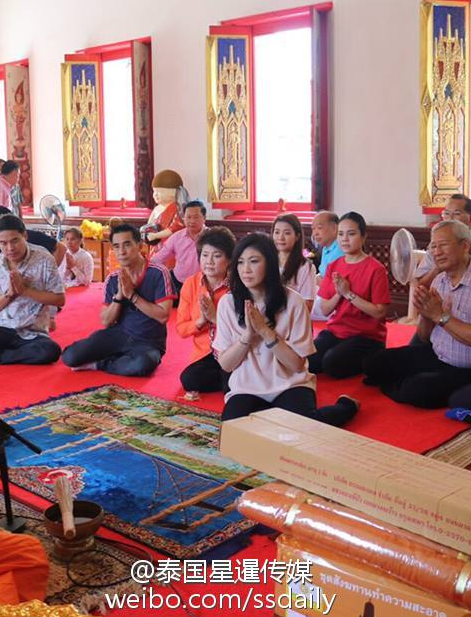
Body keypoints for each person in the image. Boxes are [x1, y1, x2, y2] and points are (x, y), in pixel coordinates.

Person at [213, 233, 359, 425]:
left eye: (254, 261)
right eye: (240, 262)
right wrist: (247, 336)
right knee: (232, 432)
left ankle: (346, 406)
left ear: (270, 264)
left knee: (301, 430)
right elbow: (226, 365)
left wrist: (265, 332)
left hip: (290, 385)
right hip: (247, 387)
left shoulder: (294, 302)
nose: (245, 269)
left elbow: (296, 365)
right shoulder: (227, 303)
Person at [363, 220, 471, 408]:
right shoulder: (439, 280)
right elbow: (423, 336)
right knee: (374, 363)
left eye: (443, 245)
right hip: (436, 355)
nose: (437, 252)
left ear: (465, 246)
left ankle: (408, 385)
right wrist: (426, 313)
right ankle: (404, 384)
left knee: (418, 389)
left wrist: (440, 316)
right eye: (433, 247)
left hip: (465, 368)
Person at [62, 224, 175, 376]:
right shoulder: (113, 278)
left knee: (142, 365)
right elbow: (106, 321)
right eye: (116, 246)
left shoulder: (159, 273)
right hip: (118, 334)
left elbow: (163, 316)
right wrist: (119, 297)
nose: (121, 251)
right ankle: (118, 360)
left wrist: (132, 296)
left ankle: (100, 364)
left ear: (140, 246)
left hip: (148, 341)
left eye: (127, 245)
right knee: (70, 357)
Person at [308, 212, 390, 378]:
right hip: (337, 330)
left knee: (331, 364)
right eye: (341, 234)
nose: (345, 239)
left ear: (363, 237)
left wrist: (348, 294)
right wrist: (339, 294)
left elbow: (380, 312)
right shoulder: (334, 266)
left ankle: (374, 357)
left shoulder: (376, 269)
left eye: (351, 234)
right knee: (309, 361)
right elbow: (324, 309)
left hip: (366, 336)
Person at [177, 226, 236, 398]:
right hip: (205, 353)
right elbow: (181, 329)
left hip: (232, 351)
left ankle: (232, 379)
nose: (209, 261)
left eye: (217, 256)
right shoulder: (191, 284)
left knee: (230, 389)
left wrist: (215, 318)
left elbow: (243, 330)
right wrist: (201, 321)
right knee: (189, 380)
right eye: (204, 255)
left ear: (229, 259)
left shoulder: (238, 285)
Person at [0, 214, 64, 364]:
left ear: (25, 236)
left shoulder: (44, 259)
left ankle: (5, 356)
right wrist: (10, 295)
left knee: (51, 351)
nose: (10, 248)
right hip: (4, 328)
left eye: (15, 241)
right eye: (3, 243)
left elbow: (60, 299)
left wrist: (25, 291)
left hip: (33, 333)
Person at [151, 200, 207, 298]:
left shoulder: (212, 236)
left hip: (203, 284)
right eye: (188, 217)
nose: (192, 221)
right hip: (178, 282)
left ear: (204, 218)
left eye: (196, 217)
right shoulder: (176, 237)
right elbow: (159, 257)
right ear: (183, 218)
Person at [413, 194, 471, 289]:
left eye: (457, 214)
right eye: (446, 213)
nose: (450, 218)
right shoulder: (436, 245)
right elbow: (420, 284)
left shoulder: (466, 243)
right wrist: (438, 268)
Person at [272, 213, 316, 313]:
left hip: (292, 318)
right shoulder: (267, 261)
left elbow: (307, 305)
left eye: (287, 233)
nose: (280, 237)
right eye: (277, 232)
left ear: (297, 236)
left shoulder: (305, 267)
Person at [0, 206, 66, 266]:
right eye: (3, 243)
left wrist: (51, 268)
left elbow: (60, 248)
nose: (10, 248)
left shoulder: (27, 236)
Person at [310, 211, 343, 320]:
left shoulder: (340, 249)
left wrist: (313, 280)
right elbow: (323, 273)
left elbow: (334, 284)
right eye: (313, 229)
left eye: (319, 228)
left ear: (334, 229)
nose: (315, 233)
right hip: (324, 291)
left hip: (335, 298)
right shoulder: (325, 248)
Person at [140, 169, 185, 244]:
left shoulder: (178, 209)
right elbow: (148, 225)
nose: (155, 194)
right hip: (155, 242)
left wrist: (156, 235)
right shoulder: (157, 208)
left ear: (173, 192)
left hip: (171, 244)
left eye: (159, 191)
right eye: (154, 191)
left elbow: (174, 229)